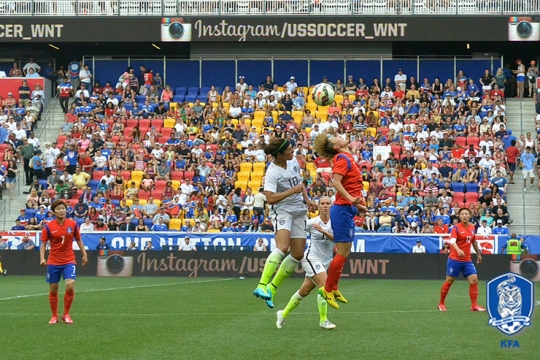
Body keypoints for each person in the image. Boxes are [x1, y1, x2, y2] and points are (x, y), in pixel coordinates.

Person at [253, 138, 317, 309]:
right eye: (289, 149)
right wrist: (292, 192)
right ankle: (261, 285)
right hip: (283, 210)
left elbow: (299, 184)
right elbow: (270, 199)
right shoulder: (272, 172)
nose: (292, 151)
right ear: (279, 155)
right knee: (282, 247)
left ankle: (271, 289)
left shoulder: (293, 161)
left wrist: (307, 200)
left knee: (297, 254)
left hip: (299, 209)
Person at [312, 133, 367, 309]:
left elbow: (353, 184)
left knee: (346, 251)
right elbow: (335, 182)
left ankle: (334, 287)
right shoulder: (342, 157)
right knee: (342, 252)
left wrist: (358, 205)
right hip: (342, 209)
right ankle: (327, 288)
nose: (339, 136)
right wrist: (351, 198)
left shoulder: (347, 157)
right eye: (336, 138)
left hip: (347, 209)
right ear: (336, 146)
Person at [276, 197, 337, 330]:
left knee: (305, 290)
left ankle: (283, 313)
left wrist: (324, 231)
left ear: (331, 206)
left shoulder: (335, 223)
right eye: (322, 204)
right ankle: (323, 320)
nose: (325, 206)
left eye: (328, 203)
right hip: (311, 258)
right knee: (325, 286)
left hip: (326, 261)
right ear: (319, 206)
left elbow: (338, 239)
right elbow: (296, 233)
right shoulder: (311, 222)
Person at [40, 200, 88, 324]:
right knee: (53, 289)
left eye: (63, 208)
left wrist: (84, 254)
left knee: (70, 285)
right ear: (53, 212)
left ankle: (66, 314)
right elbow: (43, 243)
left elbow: (78, 239)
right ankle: (54, 315)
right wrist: (42, 258)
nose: (61, 211)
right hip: (53, 260)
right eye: (58, 209)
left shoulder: (72, 224)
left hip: (69, 259)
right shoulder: (48, 227)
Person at [438, 208, 485, 312]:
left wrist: (478, 254)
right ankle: (441, 303)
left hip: (467, 259)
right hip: (455, 259)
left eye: (466, 214)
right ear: (459, 216)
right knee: (449, 280)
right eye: (462, 214)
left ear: (469, 216)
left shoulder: (472, 227)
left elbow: (473, 241)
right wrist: (458, 250)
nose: (464, 216)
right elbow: (452, 241)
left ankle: (474, 305)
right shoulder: (456, 228)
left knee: (474, 280)